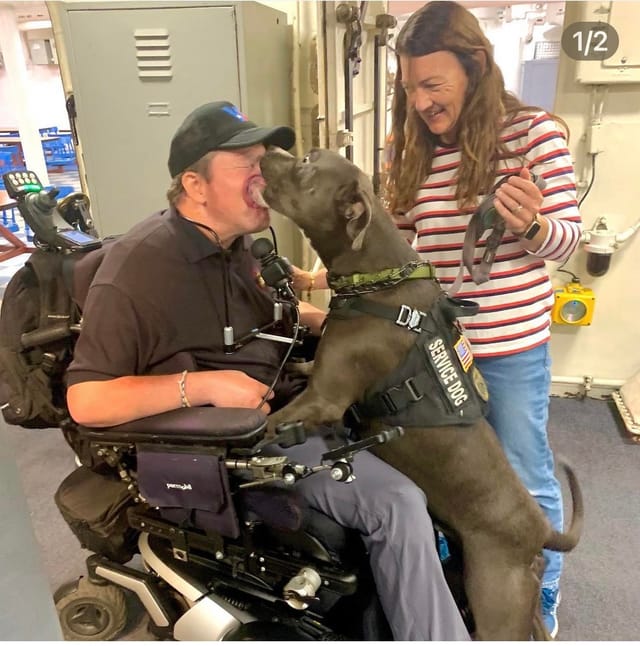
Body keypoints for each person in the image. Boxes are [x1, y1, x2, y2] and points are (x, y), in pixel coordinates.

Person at [65, 100, 470, 641]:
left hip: (290, 402)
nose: (265, 173)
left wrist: (332, 323)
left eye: (265, 157)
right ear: (195, 184)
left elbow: (273, 313)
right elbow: (86, 400)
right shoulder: (138, 270)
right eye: (245, 163)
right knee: (397, 503)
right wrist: (202, 386)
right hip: (238, 440)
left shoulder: (236, 248)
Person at [380, 1, 582, 638]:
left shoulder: (532, 135)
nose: (420, 101)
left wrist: (534, 223)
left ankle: (539, 599)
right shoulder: (408, 147)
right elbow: (402, 252)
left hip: (509, 348)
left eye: (432, 85)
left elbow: (566, 242)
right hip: (436, 350)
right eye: (410, 86)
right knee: (441, 476)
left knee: (523, 474)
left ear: (474, 69)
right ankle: (458, 589)